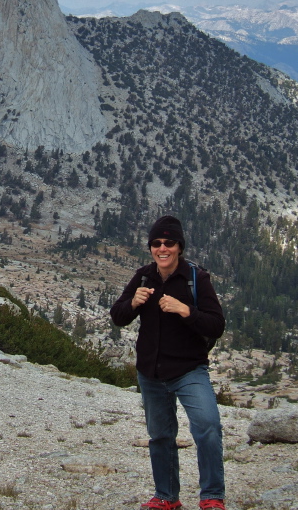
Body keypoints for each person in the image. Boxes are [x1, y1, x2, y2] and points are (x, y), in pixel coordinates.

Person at [110, 215, 226, 510]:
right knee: (160, 435)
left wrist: (186, 311)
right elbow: (118, 316)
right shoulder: (144, 276)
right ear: (151, 248)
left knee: (208, 426)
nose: (163, 249)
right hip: (151, 371)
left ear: (179, 247)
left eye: (169, 243)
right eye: (157, 243)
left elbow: (216, 325)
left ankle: (212, 496)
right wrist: (133, 303)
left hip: (189, 370)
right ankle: (166, 497)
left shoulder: (196, 278)